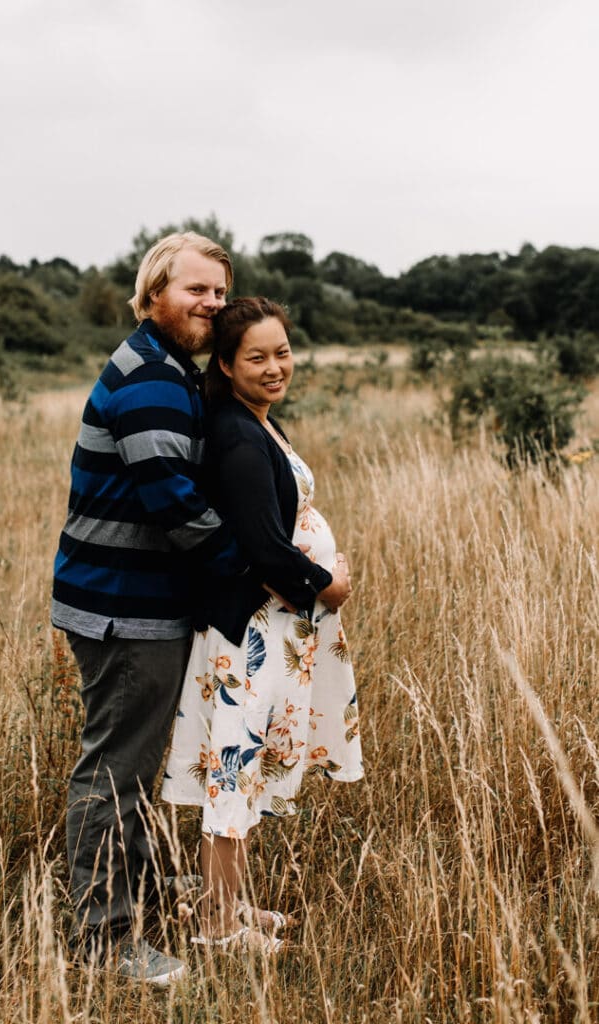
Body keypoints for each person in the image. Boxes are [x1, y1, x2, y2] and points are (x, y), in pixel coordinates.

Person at [51, 231, 246, 986]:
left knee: (130, 766)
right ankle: (105, 941)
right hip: (122, 608)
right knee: (115, 773)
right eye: (196, 290)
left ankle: (140, 892)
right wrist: (251, 572)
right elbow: (175, 502)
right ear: (154, 291)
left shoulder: (168, 369)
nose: (211, 305)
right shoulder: (152, 380)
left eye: (220, 293)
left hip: (134, 602)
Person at [161, 296, 364, 950]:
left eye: (282, 352)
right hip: (247, 635)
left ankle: (231, 906)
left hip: (269, 630)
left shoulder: (254, 421)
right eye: (257, 357)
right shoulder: (237, 435)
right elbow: (259, 544)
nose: (275, 367)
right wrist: (324, 585)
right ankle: (218, 927)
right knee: (233, 773)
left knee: (242, 774)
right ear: (225, 363)